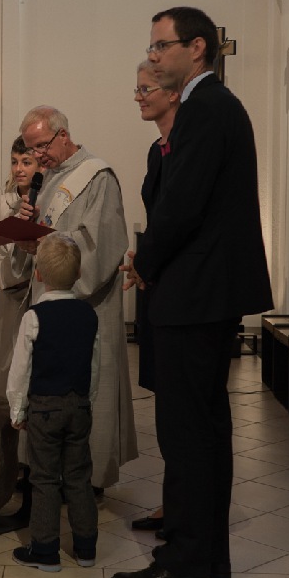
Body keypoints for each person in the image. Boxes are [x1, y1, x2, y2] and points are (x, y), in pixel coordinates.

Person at [111, 7, 273, 578]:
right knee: (203, 430)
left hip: (196, 290)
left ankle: (184, 566)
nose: (152, 56)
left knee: (186, 434)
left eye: (161, 46)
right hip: (205, 289)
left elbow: (182, 206)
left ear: (197, 48)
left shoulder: (206, 110)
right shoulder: (213, 108)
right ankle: (207, 555)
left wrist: (145, 262)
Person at [14, 105, 137, 492]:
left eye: (41, 147)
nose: (38, 158)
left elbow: (101, 245)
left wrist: (47, 244)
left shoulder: (98, 178)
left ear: (63, 135)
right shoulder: (50, 178)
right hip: (51, 306)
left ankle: (88, 480)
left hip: (87, 308)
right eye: (32, 151)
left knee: (90, 391)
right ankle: (48, 473)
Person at [7, 232, 100, 572]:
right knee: (78, 476)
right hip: (78, 405)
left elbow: (20, 371)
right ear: (78, 275)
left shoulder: (34, 317)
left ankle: (45, 550)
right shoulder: (88, 316)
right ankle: (86, 547)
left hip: (44, 409)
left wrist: (17, 409)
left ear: (39, 274)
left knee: (44, 478)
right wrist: (87, 401)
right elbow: (94, 365)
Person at [123, 61, 181, 532]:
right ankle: (171, 500)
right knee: (164, 405)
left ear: (172, 92)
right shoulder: (156, 152)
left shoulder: (187, 147)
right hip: (158, 287)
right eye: (137, 89)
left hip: (183, 290)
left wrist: (147, 261)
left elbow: (179, 220)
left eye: (147, 88)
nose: (139, 96)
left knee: (184, 411)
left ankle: (184, 508)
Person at [0, 137, 41, 398]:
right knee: (5, 359)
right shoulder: (2, 200)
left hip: (38, 288)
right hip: (8, 292)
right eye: (15, 162)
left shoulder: (48, 197)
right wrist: (12, 275)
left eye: (26, 162)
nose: (19, 169)